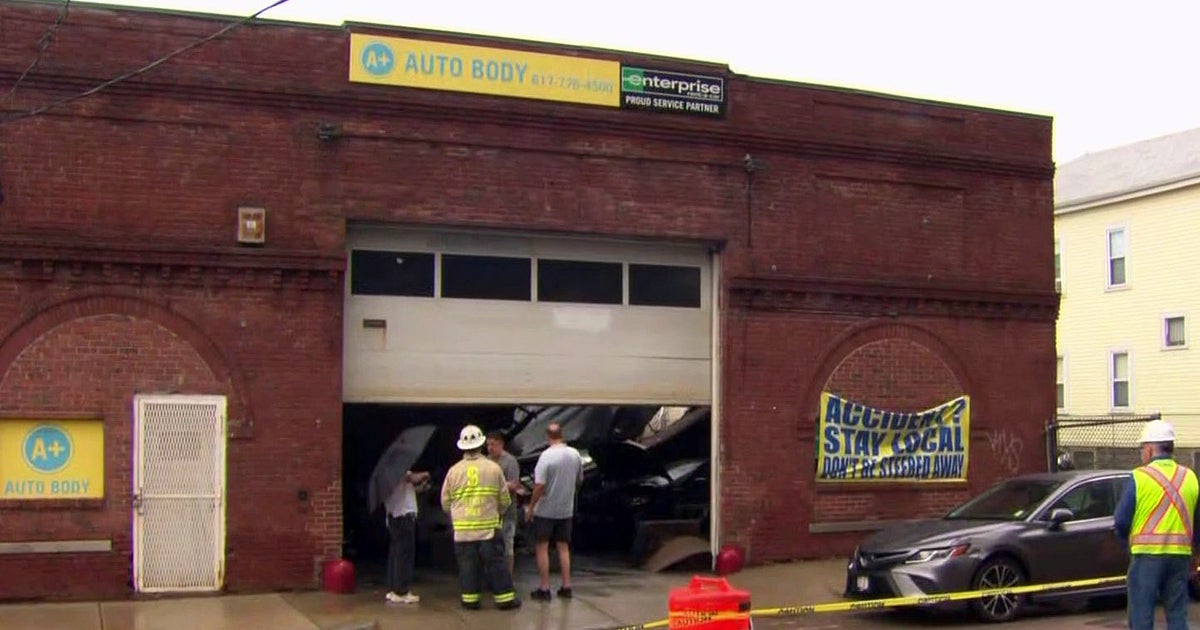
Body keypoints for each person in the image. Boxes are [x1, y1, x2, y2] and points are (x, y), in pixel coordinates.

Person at [1114, 419, 1200, 630]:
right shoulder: (1190, 477)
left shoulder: (1139, 477)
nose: (1142, 453)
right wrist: (1196, 552)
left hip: (1146, 557)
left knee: (1141, 616)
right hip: (1180, 557)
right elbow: (1197, 521)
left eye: (1143, 448)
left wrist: (1127, 542)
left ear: (1150, 449)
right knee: (1178, 615)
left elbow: (1121, 520)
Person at [441, 425, 521, 611]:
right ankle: (505, 600)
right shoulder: (493, 469)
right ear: (481, 444)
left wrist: (457, 517)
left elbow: (445, 502)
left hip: (463, 532)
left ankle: (470, 600)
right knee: (497, 565)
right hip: (488, 529)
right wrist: (496, 513)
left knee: (467, 566)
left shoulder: (453, 471)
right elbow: (505, 500)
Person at [525, 422, 584, 601]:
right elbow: (579, 480)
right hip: (566, 510)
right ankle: (566, 586)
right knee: (563, 547)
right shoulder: (575, 454)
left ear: (547, 436)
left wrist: (531, 507)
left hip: (545, 511)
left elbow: (539, 486)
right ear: (562, 434)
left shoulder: (546, 457)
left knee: (542, 547)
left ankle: (544, 588)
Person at [383, 467, 429, 605]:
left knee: (396, 553)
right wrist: (425, 474)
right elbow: (413, 478)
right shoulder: (398, 471)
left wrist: (421, 488)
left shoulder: (385, 478)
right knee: (405, 554)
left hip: (394, 516)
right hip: (404, 517)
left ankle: (394, 588)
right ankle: (401, 591)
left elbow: (406, 490)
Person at [487, 430, 524, 577]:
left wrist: (497, 485)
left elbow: (514, 485)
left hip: (507, 512)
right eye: (488, 445)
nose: (490, 448)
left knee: (507, 545)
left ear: (501, 444)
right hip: (490, 512)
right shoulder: (486, 461)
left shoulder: (510, 462)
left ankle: (507, 577)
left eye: (493, 444)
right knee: (490, 547)